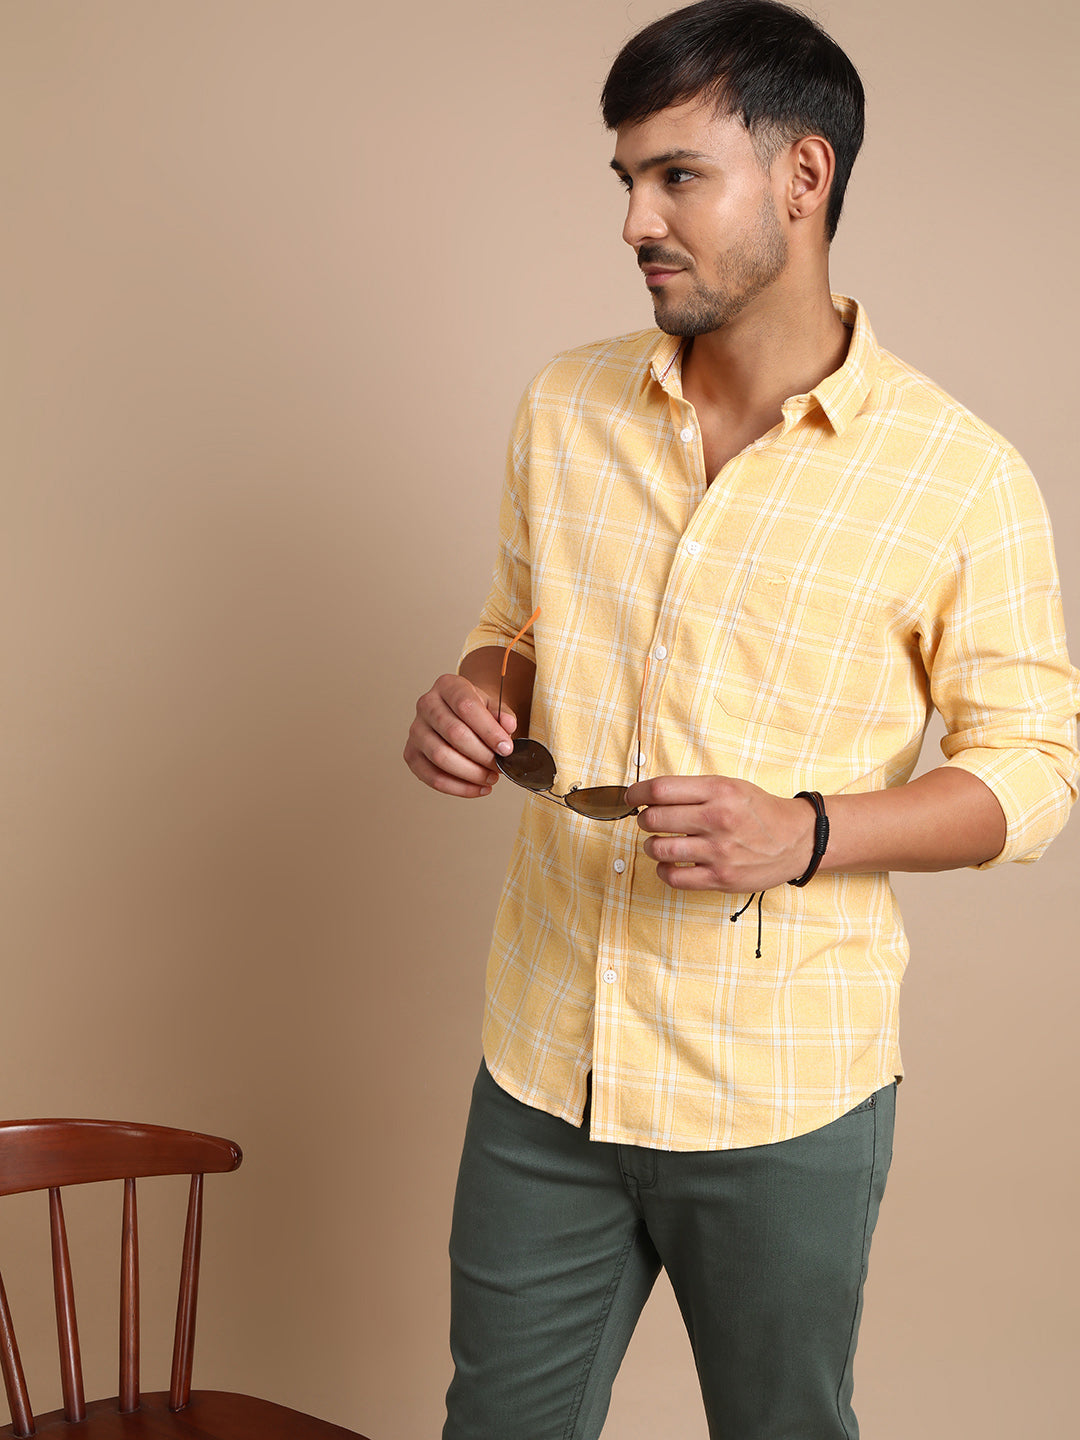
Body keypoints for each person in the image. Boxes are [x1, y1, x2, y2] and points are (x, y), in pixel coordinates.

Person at [404, 2, 1080, 1436]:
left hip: (780, 1090)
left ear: (802, 176)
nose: (634, 221)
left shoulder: (960, 478)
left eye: (677, 176)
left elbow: (1035, 771)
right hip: (547, 1058)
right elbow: (517, 625)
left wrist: (809, 833)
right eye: (625, 180)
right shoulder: (564, 407)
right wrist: (478, 700)